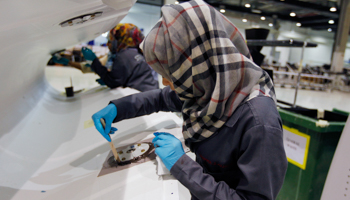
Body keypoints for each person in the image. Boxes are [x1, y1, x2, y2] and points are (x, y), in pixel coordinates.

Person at [92, 0, 287, 199]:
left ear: (195, 64)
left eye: (171, 72)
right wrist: (118, 108)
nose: (165, 82)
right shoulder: (209, 88)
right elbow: (160, 98)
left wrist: (182, 165)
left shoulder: (259, 124)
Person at [50, 23, 159, 92]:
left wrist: (94, 61)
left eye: (110, 41)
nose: (107, 44)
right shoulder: (138, 54)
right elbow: (90, 68)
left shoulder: (124, 56)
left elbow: (113, 81)